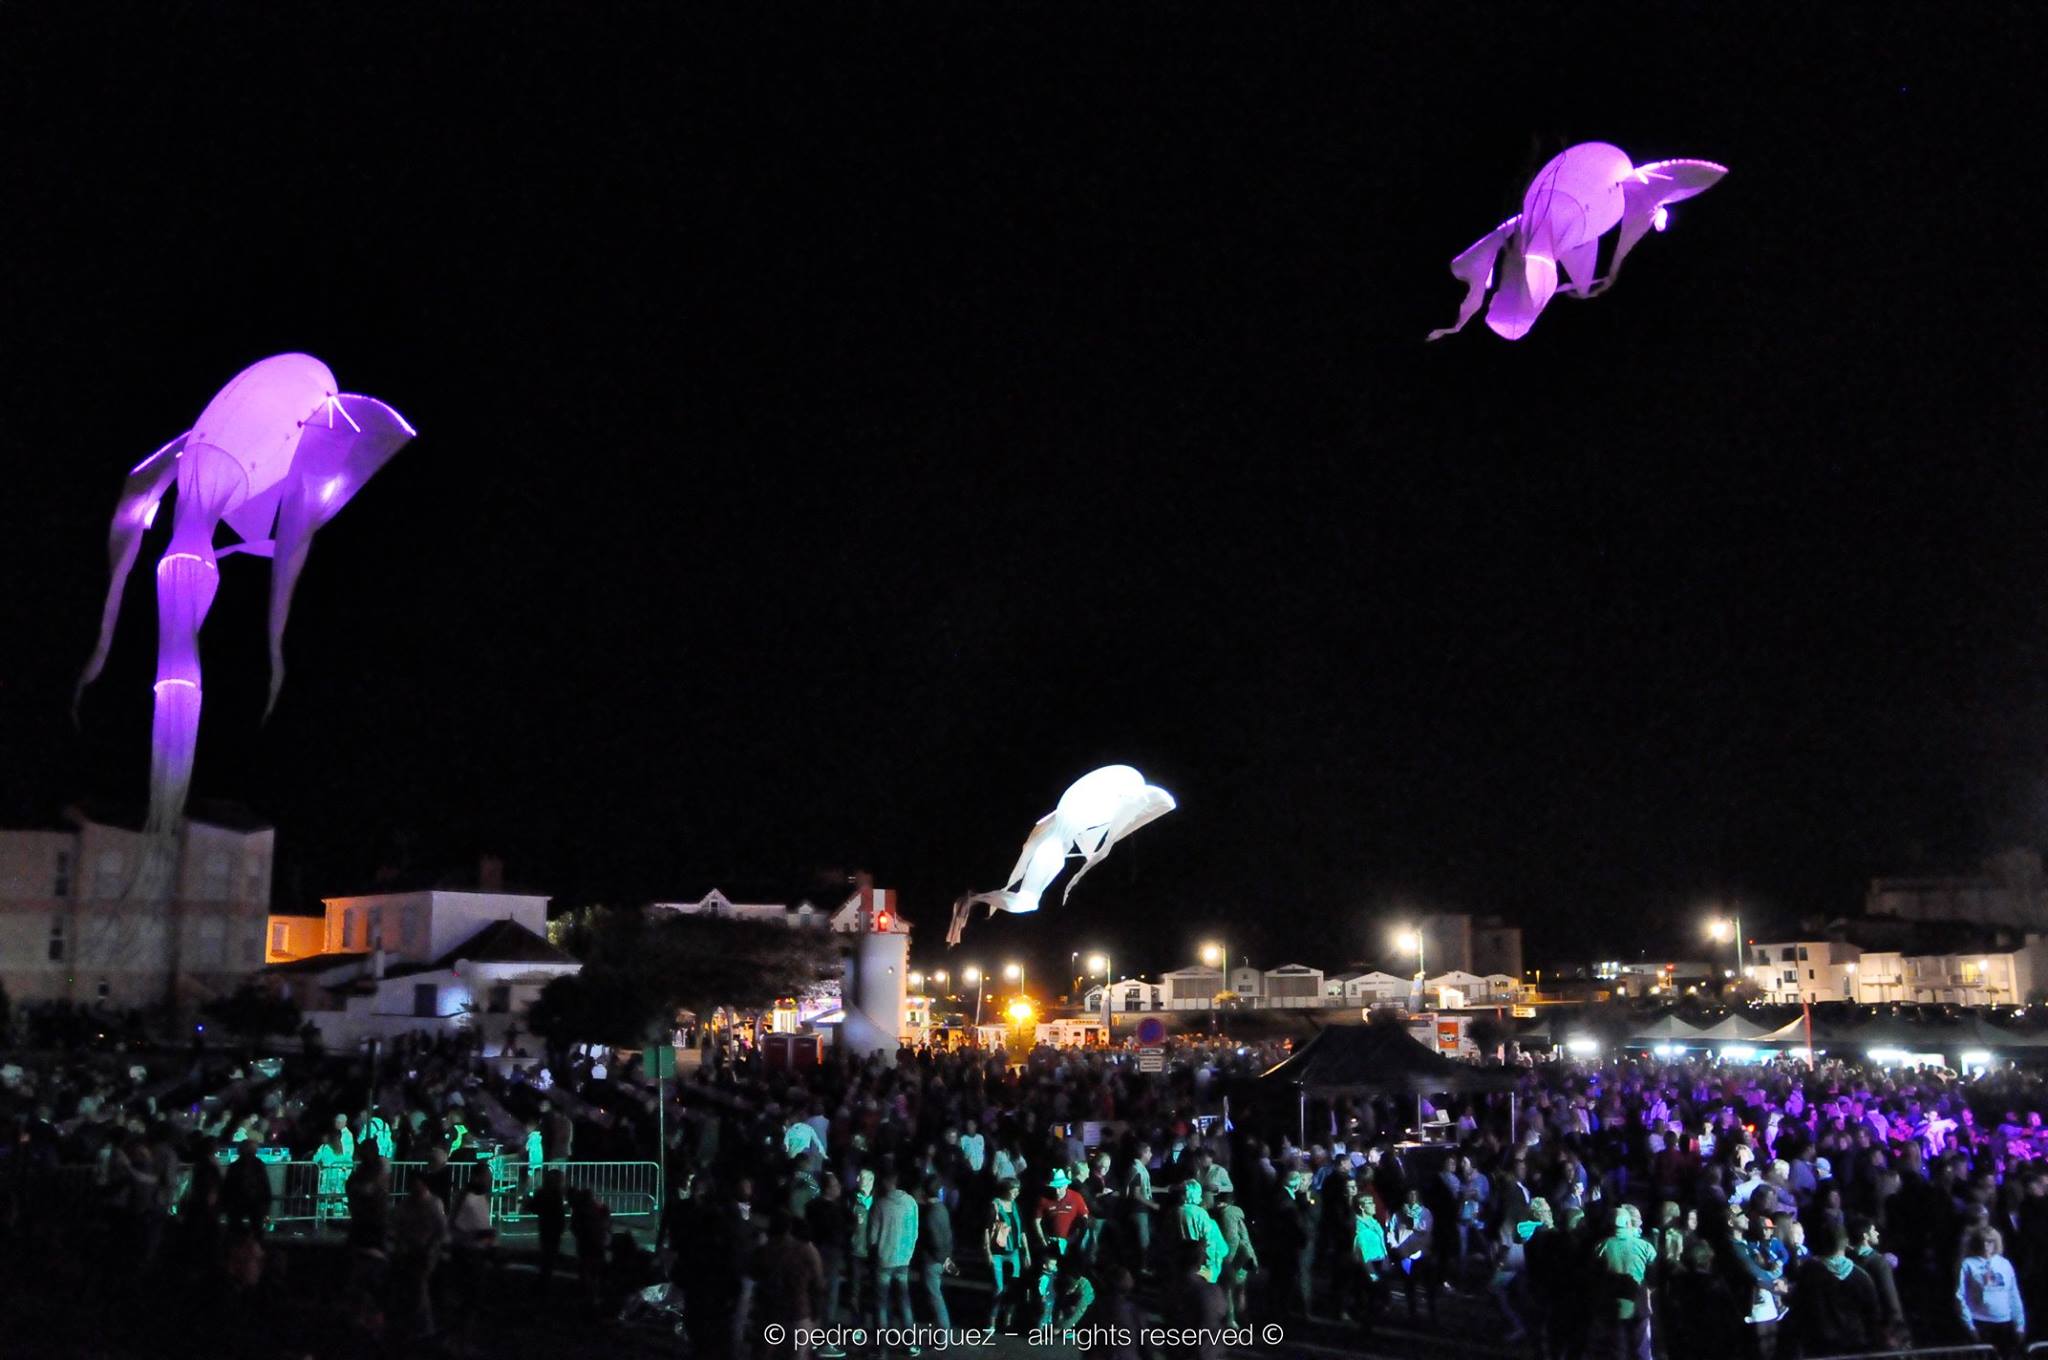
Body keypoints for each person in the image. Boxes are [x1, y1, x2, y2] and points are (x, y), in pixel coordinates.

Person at [1789, 1219, 1879, 1358]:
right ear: (1845, 1242)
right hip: (1853, 1344)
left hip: (1818, 1344)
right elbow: (1872, 1313)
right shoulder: (1861, 1276)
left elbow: (1798, 1306)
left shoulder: (1809, 1272)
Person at [750, 1211, 825, 1360]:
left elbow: (753, 1273)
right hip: (798, 1312)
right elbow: (819, 1284)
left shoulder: (765, 1250)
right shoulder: (806, 1250)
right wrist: (816, 1312)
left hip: (770, 1312)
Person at [1593, 1203, 1658, 1360]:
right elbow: (1655, 1276)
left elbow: (1595, 1276)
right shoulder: (1645, 1246)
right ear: (1629, 1223)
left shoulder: (1601, 1246)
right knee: (1642, 1351)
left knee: (1618, 1351)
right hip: (1639, 1305)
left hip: (1613, 1307)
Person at [391, 1174, 448, 1339]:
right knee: (414, 1288)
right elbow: (395, 1223)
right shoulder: (407, 1205)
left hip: (426, 1252)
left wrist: (431, 1245)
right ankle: (419, 1325)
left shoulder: (433, 1204)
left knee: (419, 1286)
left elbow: (441, 1230)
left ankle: (424, 1326)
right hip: (411, 1250)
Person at [1959, 1224, 2027, 1359]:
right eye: (1982, 1242)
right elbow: (1960, 1295)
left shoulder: (2004, 1264)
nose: (1986, 1246)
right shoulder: (1967, 1264)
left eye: (1990, 1242)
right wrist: (1970, 1325)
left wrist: (2020, 1324)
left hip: (2004, 1322)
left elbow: (2014, 1295)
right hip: (1980, 1321)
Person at [869, 1171, 920, 1342]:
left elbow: (872, 1237)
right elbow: (915, 1231)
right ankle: (910, 1342)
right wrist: (909, 1252)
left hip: (884, 1259)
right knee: (904, 1301)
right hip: (904, 1258)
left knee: (881, 1303)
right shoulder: (911, 1202)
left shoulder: (880, 1205)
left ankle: (881, 1345)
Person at [985, 1179, 1026, 1331]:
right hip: (997, 1252)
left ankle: (1008, 1319)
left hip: (1014, 1251)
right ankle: (992, 1321)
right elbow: (987, 1230)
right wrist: (987, 1251)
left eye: (1018, 1190)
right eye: (1014, 1190)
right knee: (998, 1287)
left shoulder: (1015, 1206)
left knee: (1014, 1287)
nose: (1017, 1193)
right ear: (1005, 1190)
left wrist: (1026, 1252)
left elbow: (1022, 1230)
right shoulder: (995, 1205)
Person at [918, 1172, 955, 1331]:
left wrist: (942, 1258)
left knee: (935, 1298)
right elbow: (948, 1235)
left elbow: (934, 1240)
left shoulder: (929, 1213)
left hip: (932, 1261)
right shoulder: (943, 1209)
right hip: (941, 1259)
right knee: (935, 1295)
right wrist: (948, 1258)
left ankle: (942, 1334)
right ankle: (938, 1332)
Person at [1035, 1167, 1091, 1260]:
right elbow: (1036, 1221)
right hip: (1051, 1242)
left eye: (1059, 1188)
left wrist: (1078, 1240)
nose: (1057, 1191)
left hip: (1070, 1242)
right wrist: (1042, 1239)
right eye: (1054, 1188)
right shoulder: (1043, 1199)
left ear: (1066, 1185)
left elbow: (1084, 1218)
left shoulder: (1076, 1197)